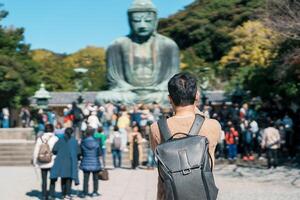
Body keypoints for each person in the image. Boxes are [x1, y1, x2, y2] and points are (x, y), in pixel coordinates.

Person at [150, 72, 221, 200]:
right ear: (197, 96)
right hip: (203, 195)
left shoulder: (156, 128)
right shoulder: (213, 126)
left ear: (170, 98)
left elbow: (161, 172)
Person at [96, 0, 180, 105]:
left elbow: (173, 76)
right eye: (136, 21)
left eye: (148, 20)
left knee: (177, 96)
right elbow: (114, 78)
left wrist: (161, 87)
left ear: (155, 21)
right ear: (129, 21)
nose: (142, 25)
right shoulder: (117, 44)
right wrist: (126, 87)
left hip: (158, 92)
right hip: (128, 93)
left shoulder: (168, 45)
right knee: (102, 97)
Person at [50, 128, 80, 199]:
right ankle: (68, 193)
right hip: (71, 161)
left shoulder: (60, 140)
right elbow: (78, 152)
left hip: (62, 161)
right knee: (69, 179)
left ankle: (63, 194)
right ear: (72, 133)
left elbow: (54, 150)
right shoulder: (74, 141)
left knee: (63, 178)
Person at [33, 124, 58, 200]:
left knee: (44, 179)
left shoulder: (40, 139)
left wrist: (35, 162)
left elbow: (36, 151)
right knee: (53, 178)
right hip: (52, 161)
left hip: (42, 161)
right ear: (53, 129)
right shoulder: (55, 138)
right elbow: (57, 150)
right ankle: (51, 194)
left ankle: (44, 195)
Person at [79, 127, 102, 198]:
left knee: (86, 179)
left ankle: (85, 192)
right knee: (95, 178)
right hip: (95, 162)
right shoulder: (97, 141)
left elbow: (81, 153)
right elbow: (99, 153)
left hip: (86, 161)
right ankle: (95, 192)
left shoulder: (83, 142)